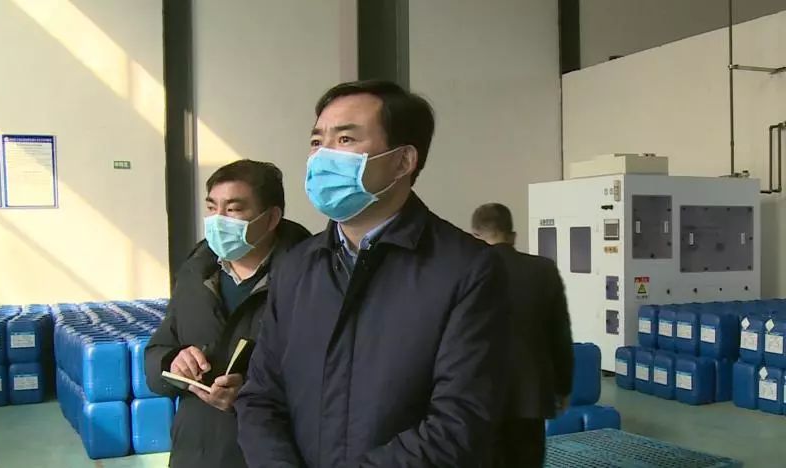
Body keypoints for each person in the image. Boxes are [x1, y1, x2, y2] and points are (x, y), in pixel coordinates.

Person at [235, 80, 511, 467]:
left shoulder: (467, 270)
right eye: (316, 141)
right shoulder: (296, 267)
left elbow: (459, 423)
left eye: (345, 139)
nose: (323, 156)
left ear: (403, 161)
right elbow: (261, 397)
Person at [144, 160, 311, 468]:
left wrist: (250, 396)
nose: (218, 220)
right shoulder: (195, 272)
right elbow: (157, 352)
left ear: (271, 217)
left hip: (269, 455)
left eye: (233, 209)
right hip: (195, 452)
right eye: (212, 207)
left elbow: (327, 383)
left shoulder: (310, 278)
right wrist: (172, 362)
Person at [471, 203, 574, 468]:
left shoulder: (464, 271)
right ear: (513, 235)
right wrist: (563, 387)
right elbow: (560, 335)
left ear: (475, 235)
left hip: (478, 397)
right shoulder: (543, 270)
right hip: (531, 395)